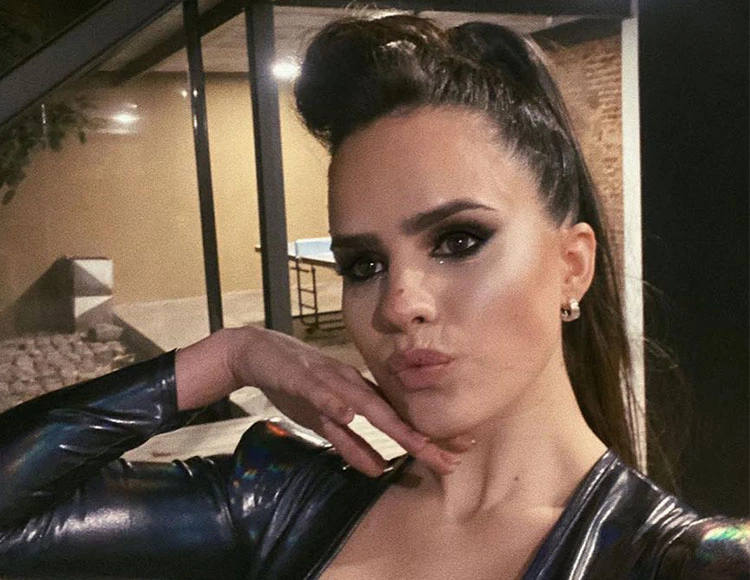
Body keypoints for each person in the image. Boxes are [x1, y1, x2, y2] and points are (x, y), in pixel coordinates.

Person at [0, 14, 747, 580]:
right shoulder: (283, 504)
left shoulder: (678, 560)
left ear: (572, 266)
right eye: (363, 264)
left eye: (458, 240)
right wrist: (233, 356)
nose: (397, 305)